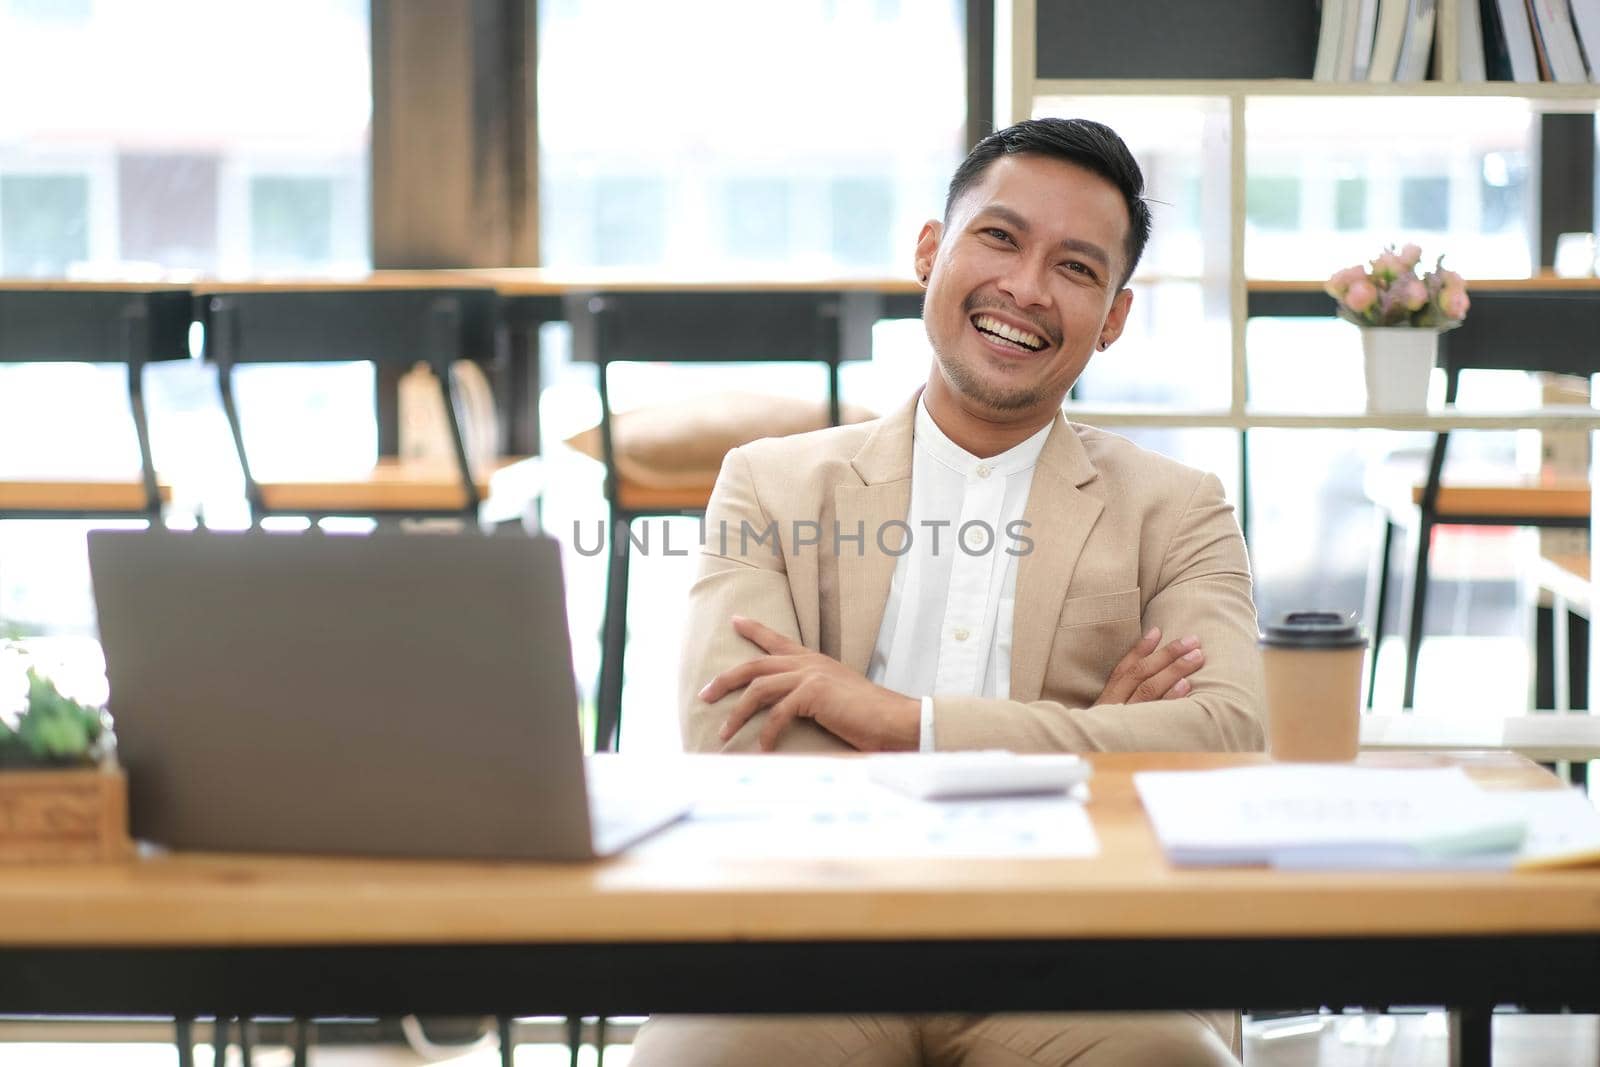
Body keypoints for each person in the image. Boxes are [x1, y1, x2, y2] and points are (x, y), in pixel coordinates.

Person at [630, 118, 1266, 1067]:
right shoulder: (768, 484)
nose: (1026, 288)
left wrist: (896, 721)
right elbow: (742, 739)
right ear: (932, 251)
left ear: (1116, 318)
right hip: (812, 951)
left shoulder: (1178, 509)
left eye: (1078, 268)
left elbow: (1225, 739)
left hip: (1084, 959)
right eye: (999, 238)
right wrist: (1088, 739)